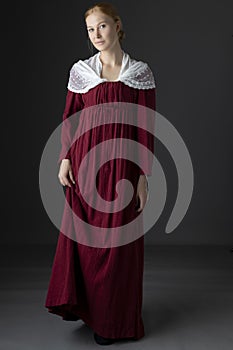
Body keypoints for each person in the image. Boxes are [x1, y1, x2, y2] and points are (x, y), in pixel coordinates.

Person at [44, 1, 156, 346]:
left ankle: (116, 322)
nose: (96, 35)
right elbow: (70, 118)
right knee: (89, 246)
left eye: (102, 26)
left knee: (118, 248)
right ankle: (93, 313)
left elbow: (146, 126)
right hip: (85, 166)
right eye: (90, 30)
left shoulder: (139, 72)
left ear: (117, 25)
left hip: (122, 169)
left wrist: (143, 176)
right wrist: (64, 159)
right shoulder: (81, 72)